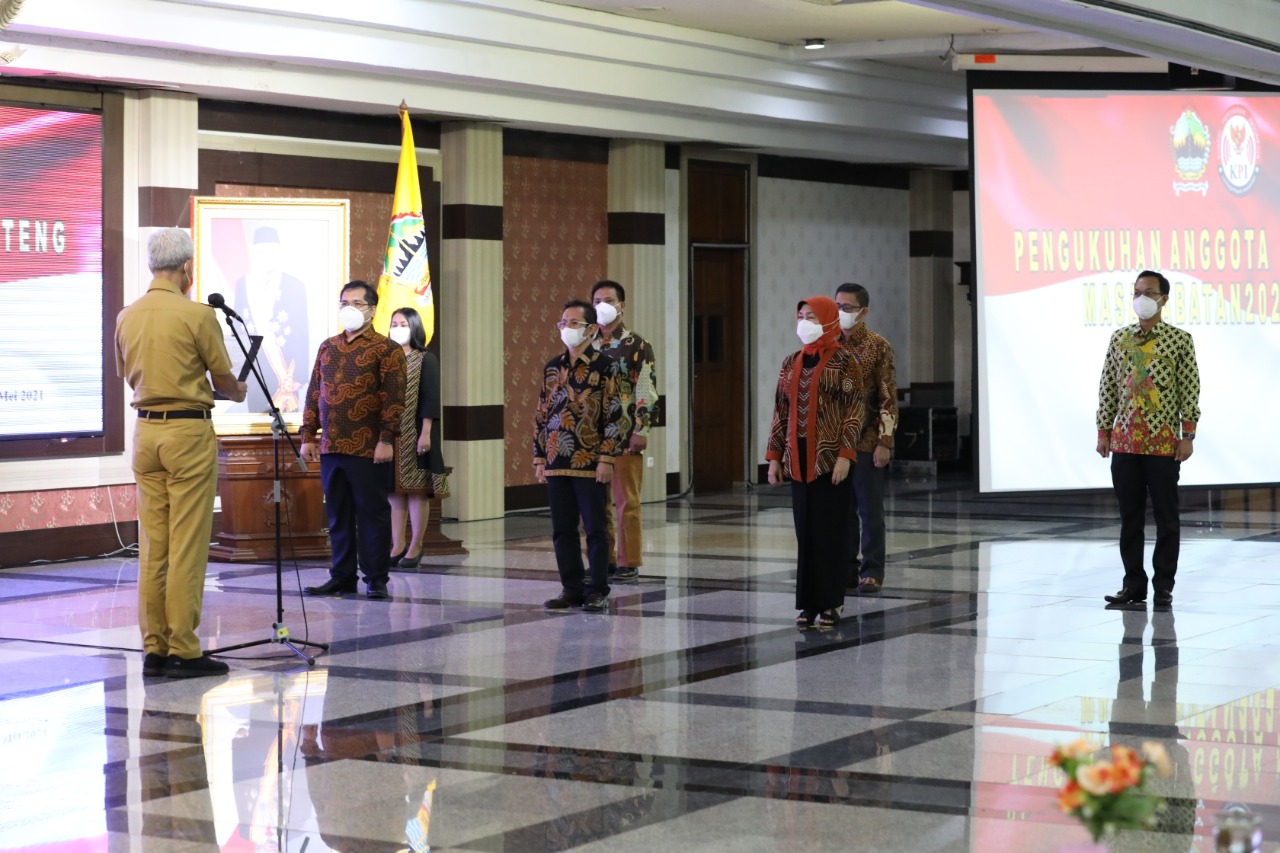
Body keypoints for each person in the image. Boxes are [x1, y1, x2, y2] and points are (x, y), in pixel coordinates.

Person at [115, 227, 247, 678]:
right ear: (187, 268)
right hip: (188, 434)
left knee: (154, 545)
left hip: (146, 434)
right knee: (188, 544)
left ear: (153, 265)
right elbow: (224, 378)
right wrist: (235, 389)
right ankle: (185, 650)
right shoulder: (197, 315)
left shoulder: (126, 316)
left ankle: (154, 647)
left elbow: (128, 373)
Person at [1097, 270, 1200, 609]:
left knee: (1167, 517)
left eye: (1149, 292)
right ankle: (1134, 585)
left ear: (1164, 299)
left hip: (1162, 444)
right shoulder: (1119, 338)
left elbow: (1189, 389)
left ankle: (1164, 585)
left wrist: (1188, 435)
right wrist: (1103, 431)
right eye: (1137, 292)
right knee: (1130, 518)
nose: (1141, 298)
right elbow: (1108, 387)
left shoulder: (1179, 340)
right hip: (1125, 443)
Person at [301, 280, 406, 600]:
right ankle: (342, 575)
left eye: (357, 303)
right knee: (338, 513)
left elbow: (394, 398)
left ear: (372, 310)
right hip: (331, 445)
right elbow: (314, 392)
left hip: (369, 447)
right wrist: (308, 435)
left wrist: (386, 439)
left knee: (372, 513)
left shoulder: (386, 349)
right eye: (344, 302)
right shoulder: (327, 347)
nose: (349, 308)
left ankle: (376, 578)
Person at [766, 296, 865, 629]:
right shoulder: (790, 362)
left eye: (811, 316)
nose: (804, 322)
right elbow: (781, 411)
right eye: (800, 316)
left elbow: (854, 412)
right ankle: (808, 604)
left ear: (827, 320)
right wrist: (775, 458)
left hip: (830, 461)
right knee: (805, 534)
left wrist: (845, 455)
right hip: (798, 461)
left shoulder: (845, 361)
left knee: (831, 533)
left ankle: (831, 602)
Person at [534, 299, 623, 613]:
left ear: (590, 328)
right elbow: (543, 413)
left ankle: (597, 588)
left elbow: (615, 416)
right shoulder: (553, 367)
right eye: (562, 322)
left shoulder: (605, 366)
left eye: (573, 323)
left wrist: (606, 458)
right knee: (563, 530)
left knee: (596, 528)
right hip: (557, 460)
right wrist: (540, 457)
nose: (565, 328)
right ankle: (571, 588)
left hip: (590, 461)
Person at [590, 280, 657, 583]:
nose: (602, 305)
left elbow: (646, 389)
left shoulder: (637, 345)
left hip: (626, 432)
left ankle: (629, 560)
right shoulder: (586, 342)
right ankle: (602, 559)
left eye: (608, 299)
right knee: (594, 503)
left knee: (625, 500)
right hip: (590, 437)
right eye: (596, 300)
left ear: (622, 306)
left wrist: (642, 429)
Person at [834, 282, 898, 594]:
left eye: (847, 308)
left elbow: (887, 397)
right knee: (840, 510)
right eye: (837, 306)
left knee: (870, 509)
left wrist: (884, 442)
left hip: (867, 439)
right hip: (833, 444)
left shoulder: (878, 346)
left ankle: (872, 570)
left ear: (863, 311)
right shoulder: (828, 345)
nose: (840, 313)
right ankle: (846, 568)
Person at [230, 225, 311, 414]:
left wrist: (297, 375)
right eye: (262, 251)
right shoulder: (243, 284)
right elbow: (236, 328)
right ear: (254, 254)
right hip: (255, 370)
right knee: (256, 428)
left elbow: (302, 331)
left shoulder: (295, 285)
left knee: (286, 430)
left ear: (279, 253)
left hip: (286, 373)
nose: (267, 256)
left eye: (271, 251)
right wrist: (236, 371)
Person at [387, 307, 444, 569]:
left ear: (414, 327)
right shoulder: (388, 357)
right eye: (394, 323)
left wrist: (426, 433)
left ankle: (416, 545)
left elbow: (431, 398)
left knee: (415, 491)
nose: (398, 328)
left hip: (417, 434)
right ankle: (397, 544)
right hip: (390, 436)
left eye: (403, 324)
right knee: (394, 492)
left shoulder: (425, 358)